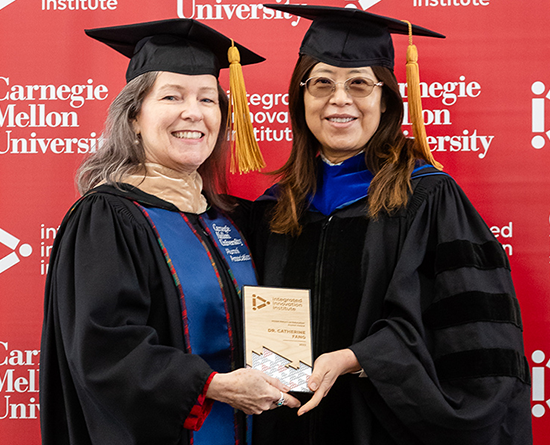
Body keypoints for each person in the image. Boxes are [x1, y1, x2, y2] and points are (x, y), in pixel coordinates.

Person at [243, 5, 532, 445]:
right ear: (300, 99)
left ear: (386, 99)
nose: (340, 98)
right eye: (322, 83)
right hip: (289, 426)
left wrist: (359, 357)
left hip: (385, 428)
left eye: (359, 83)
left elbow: (476, 340)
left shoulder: (428, 198)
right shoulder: (276, 211)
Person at [39, 18, 299, 445]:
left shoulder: (227, 219)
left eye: (208, 99)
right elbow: (102, 349)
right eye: (172, 96)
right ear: (134, 117)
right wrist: (212, 384)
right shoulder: (109, 217)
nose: (193, 112)